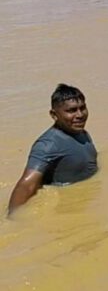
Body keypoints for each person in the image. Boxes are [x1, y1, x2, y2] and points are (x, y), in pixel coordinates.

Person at [7, 84, 98, 217]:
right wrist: (13, 221)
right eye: (71, 110)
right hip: (67, 211)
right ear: (54, 115)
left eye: (82, 108)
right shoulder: (48, 144)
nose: (80, 115)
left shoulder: (81, 133)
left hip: (88, 203)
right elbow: (26, 185)